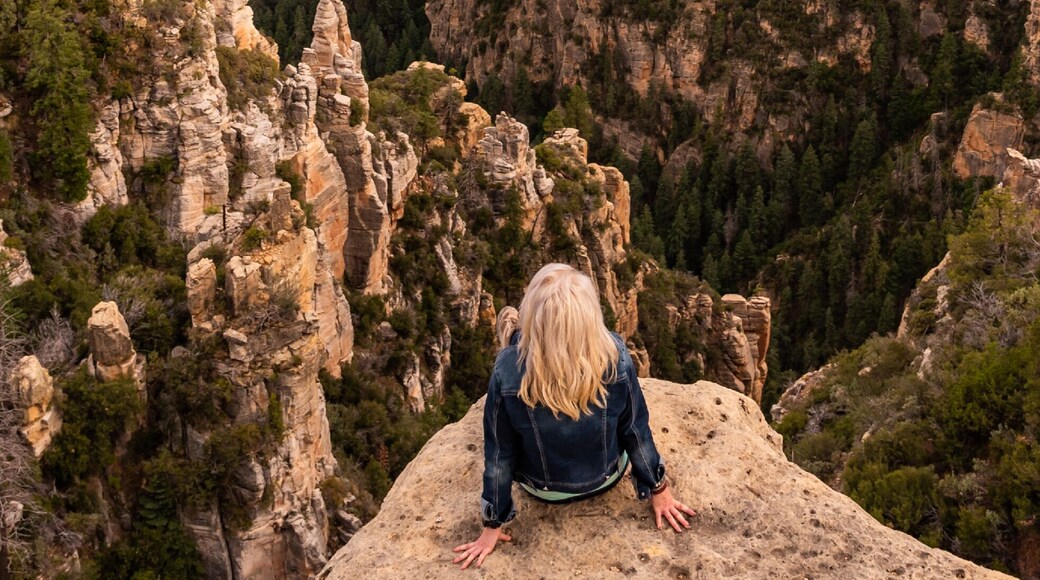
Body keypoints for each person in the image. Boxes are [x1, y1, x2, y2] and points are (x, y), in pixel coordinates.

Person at [452, 264, 697, 570]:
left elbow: (499, 457)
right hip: (604, 477)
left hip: (541, 488)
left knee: (517, 352)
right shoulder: (616, 356)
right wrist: (659, 490)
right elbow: (636, 430)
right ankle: (525, 334)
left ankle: (514, 333)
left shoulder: (505, 372)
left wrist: (492, 525)